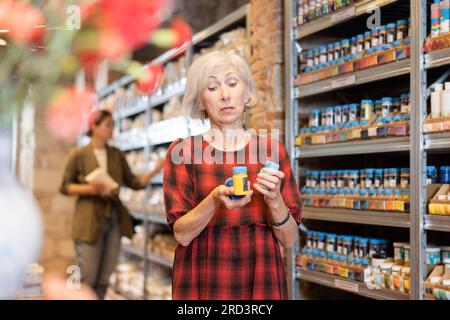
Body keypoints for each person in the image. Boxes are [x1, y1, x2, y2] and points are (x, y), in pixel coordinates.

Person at [163, 51, 302, 300]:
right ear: (200, 101)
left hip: (261, 281)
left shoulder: (271, 151)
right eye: (212, 87)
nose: (225, 94)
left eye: (232, 83)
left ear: (247, 93)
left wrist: (274, 200)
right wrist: (214, 199)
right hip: (203, 280)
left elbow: (289, 239)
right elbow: (182, 234)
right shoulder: (183, 152)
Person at [60, 109, 164, 299]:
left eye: (113, 125)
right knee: (88, 278)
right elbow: (65, 187)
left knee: (104, 279)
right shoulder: (79, 154)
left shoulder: (116, 155)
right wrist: (90, 189)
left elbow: (135, 183)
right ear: (94, 127)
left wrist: (156, 169)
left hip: (114, 222)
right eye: (108, 125)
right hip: (88, 223)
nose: (112, 129)